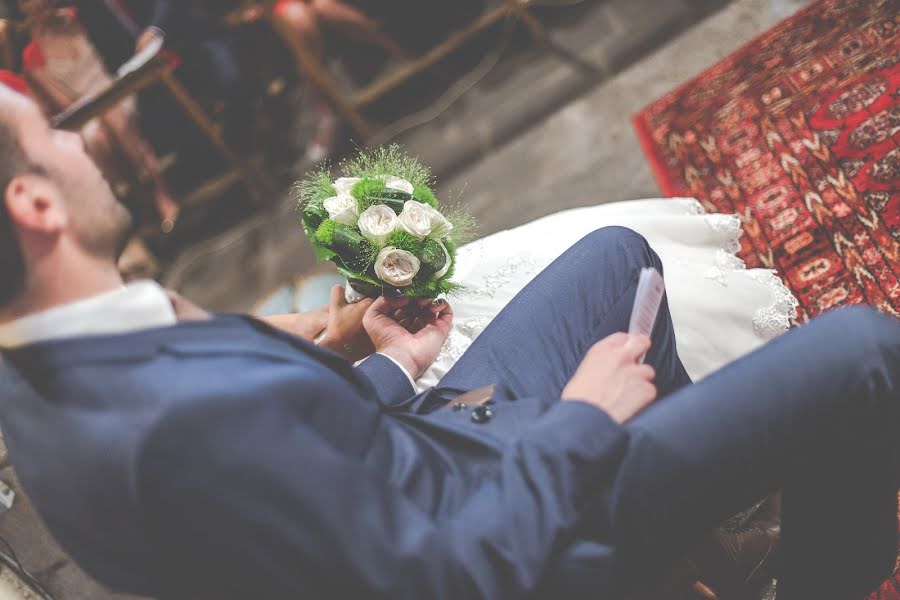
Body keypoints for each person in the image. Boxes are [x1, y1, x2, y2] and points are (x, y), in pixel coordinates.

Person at [0, 87, 897, 600]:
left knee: (614, 259)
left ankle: (688, 561)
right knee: (862, 353)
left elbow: (298, 450)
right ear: (34, 206)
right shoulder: (155, 428)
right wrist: (581, 420)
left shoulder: (68, 354)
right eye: (51, 135)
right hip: (504, 530)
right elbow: (443, 581)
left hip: (440, 449)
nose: (78, 137)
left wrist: (393, 364)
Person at [13, 0, 179, 231]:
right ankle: (140, 190)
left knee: (115, 116)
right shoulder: (32, 55)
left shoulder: (76, 18)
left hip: (113, 89)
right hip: (86, 111)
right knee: (100, 137)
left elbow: (112, 47)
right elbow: (64, 101)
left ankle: (159, 192)